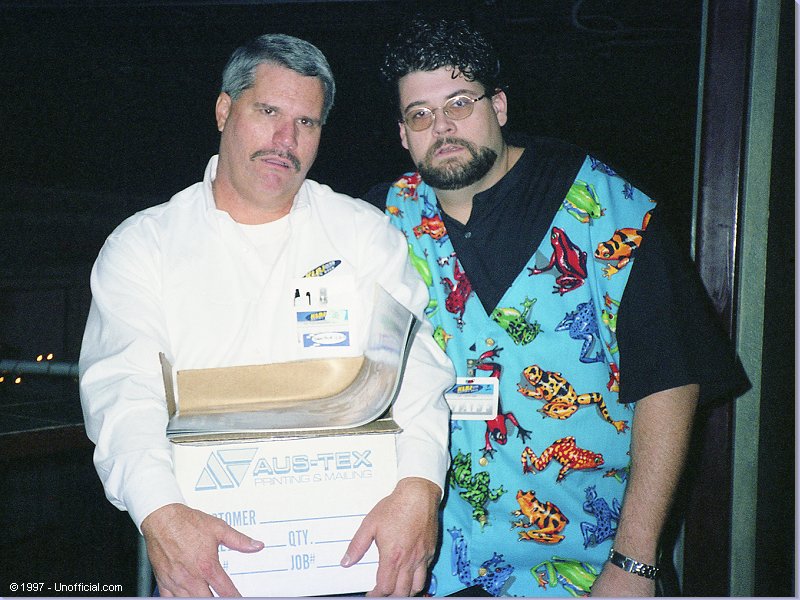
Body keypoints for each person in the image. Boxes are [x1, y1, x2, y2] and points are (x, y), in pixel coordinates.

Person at [366, 16, 749, 597]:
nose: (441, 126)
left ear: (498, 105)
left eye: (460, 102)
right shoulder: (381, 224)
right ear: (402, 133)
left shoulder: (601, 205)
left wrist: (637, 562)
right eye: (420, 114)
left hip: (587, 568)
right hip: (429, 571)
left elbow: (670, 381)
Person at [79, 33, 455, 598]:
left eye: (307, 122)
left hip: (362, 570)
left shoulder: (362, 235)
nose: (286, 139)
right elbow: (121, 396)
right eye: (269, 111)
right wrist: (159, 514)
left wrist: (421, 486)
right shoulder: (143, 246)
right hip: (205, 572)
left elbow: (416, 372)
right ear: (225, 109)